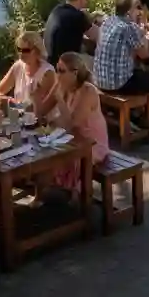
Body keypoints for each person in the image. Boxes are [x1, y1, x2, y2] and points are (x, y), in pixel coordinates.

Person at [49, 52, 111, 195]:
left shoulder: (88, 91)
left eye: (61, 71)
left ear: (75, 73)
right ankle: (54, 195)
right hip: (74, 139)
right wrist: (48, 123)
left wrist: (60, 101)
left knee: (72, 159)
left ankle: (78, 200)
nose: (57, 74)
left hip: (93, 144)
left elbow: (72, 123)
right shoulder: (66, 87)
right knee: (49, 153)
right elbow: (58, 119)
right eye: (56, 69)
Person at [94, 0, 149, 94]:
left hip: (100, 82)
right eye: (137, 8)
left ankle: (138, 109)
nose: (140, 12)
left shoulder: (108, 21)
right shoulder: (129, 26)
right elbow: (145, 55)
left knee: (139, 70)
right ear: (128, 12)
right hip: (118, 85)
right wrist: (143, 34)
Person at [0, 31, 56, 117]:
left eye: (26, 50)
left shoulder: (47, 73)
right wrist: (0, 99)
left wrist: (12, 104)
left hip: (44, 125)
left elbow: (36, 108)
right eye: (19, 49)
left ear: (37, 50)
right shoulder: (18, 66)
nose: (21, 54)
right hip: (21, 120)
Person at [45, 0, 99, 69]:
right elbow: (98, 36)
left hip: (51, 61)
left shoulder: (57, 10)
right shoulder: (77, 16)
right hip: (66, 64)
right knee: (97, 64)